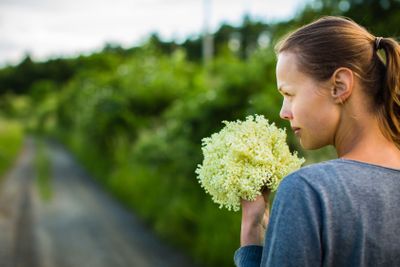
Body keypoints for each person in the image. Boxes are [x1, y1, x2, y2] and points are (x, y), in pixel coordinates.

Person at [234, 16, 400, 267]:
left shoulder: (308, 191)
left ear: (339, 85)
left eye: (289, 94)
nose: (284, 112)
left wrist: (250, 235)